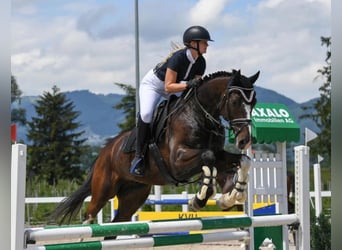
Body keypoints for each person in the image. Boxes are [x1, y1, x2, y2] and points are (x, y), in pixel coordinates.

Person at [130, 25, 213, 176]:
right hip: (155, 86)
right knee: (147, 114)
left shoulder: (201, 63)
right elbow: (168, 87)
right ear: (194, 43)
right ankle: (139, 156)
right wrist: (188, 84)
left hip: (177, 87)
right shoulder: (179, 58)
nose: (207, 45)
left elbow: (193, 87)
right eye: (204, 42)